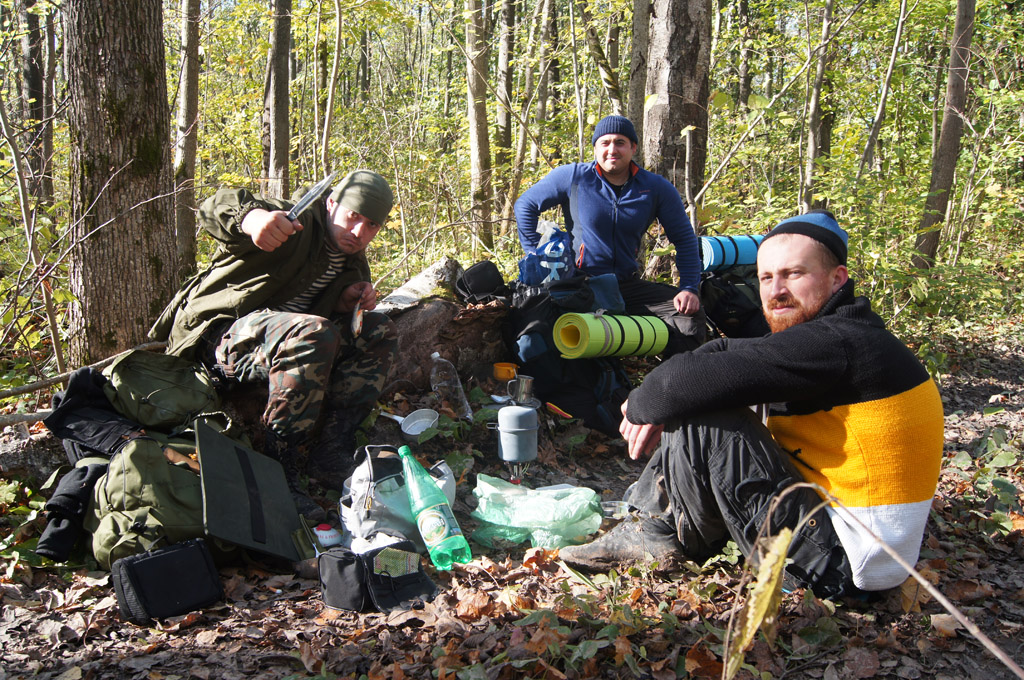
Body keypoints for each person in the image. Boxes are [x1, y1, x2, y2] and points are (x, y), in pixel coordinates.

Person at [559, 211, 944, 597]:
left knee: (706, 406)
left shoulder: (838, 343)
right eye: (765, 277)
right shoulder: (845, 334)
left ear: (836, 279)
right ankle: (650, 523)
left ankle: (656, 535)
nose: (776, 290)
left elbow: (682, 383)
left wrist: (643, 403)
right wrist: (669, 392)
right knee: (710, 386)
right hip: (844, 542)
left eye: (793, 274)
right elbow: (729, 350)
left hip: (842, 568)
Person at [149, 170, 399, 521]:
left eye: (371, 225)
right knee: (314, 332)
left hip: (277, 346)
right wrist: (253, 220)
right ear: (331, 204)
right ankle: (278, 466)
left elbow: (317, 317)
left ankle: (331, 449)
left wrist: (344, 301)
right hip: (218, 340)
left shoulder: (353, 262)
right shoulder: (290, 222)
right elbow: (212, 207)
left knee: (380, 330)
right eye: (352, 217)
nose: (359, 232)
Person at [514, 115, 705, 356]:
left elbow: (685, 239)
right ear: (595, 148)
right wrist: (534, 255)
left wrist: (688, 287)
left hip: (626, 286)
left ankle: (676, 383)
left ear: (633, 147)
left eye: (620, 142)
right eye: (604, 143)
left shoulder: (655, 188)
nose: (611, 150)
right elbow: (525, 205)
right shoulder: (575, 177)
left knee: (688, 315)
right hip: (578, 285)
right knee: (539, 340)